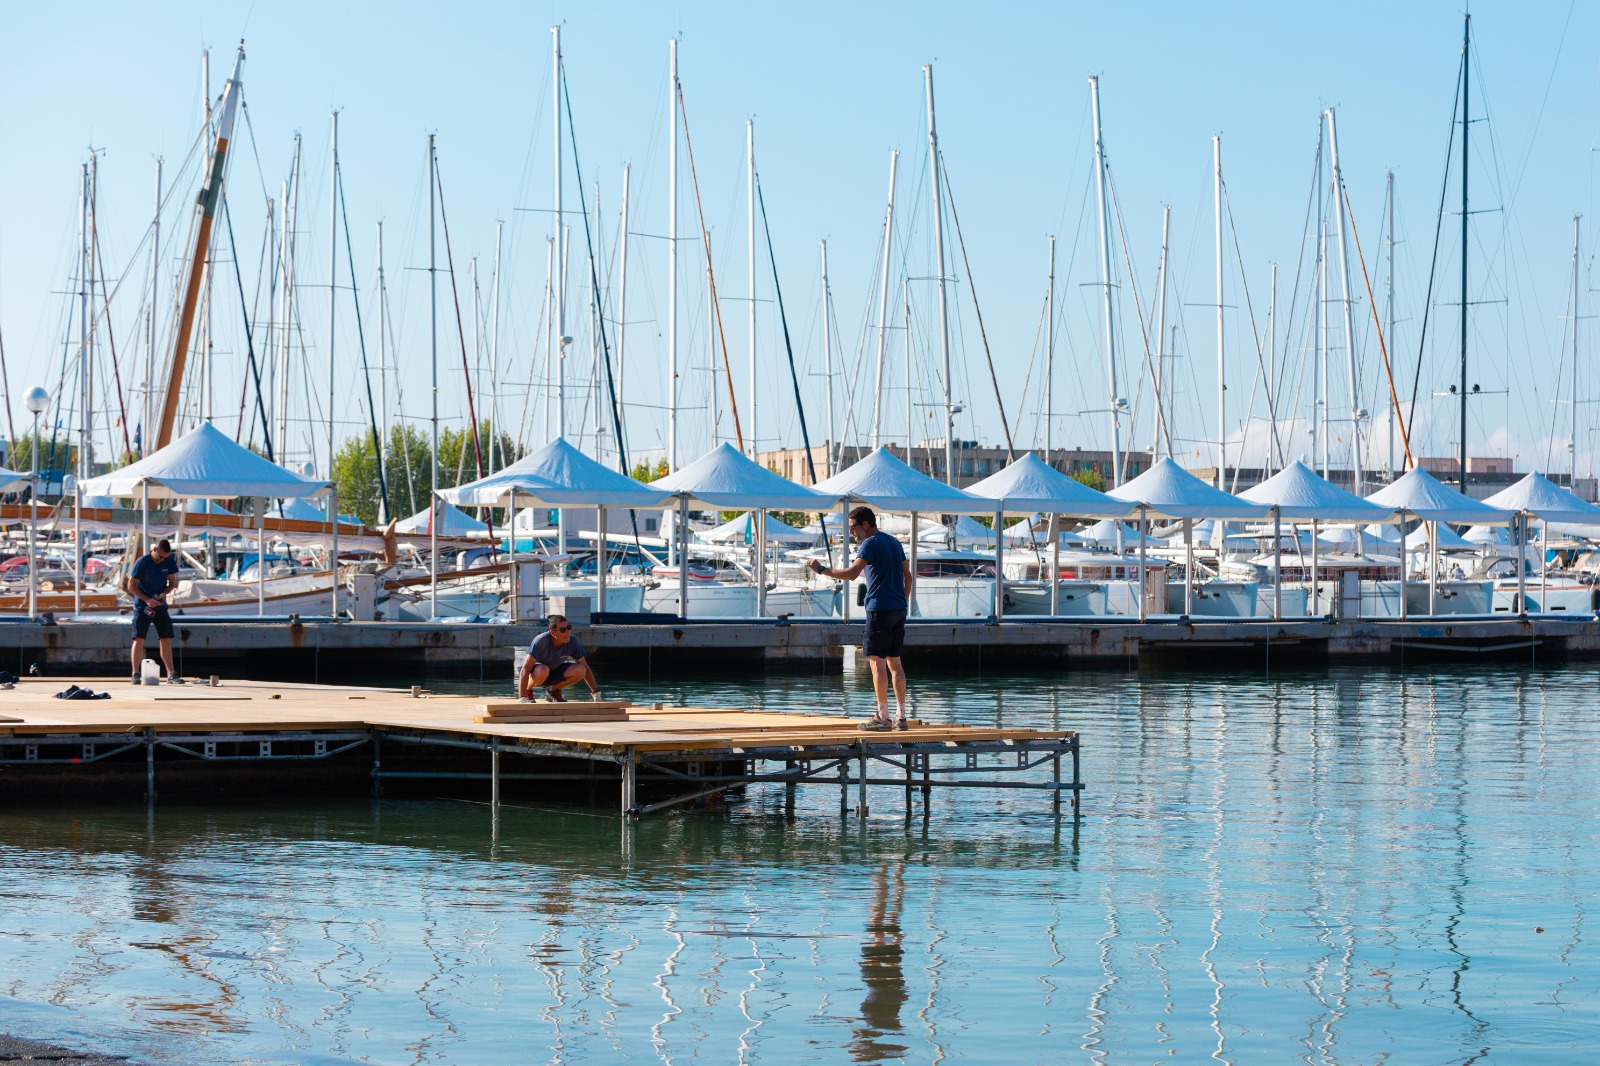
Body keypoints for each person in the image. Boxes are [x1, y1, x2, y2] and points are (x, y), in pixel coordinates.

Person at [807, 506, 913, 730]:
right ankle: (901, 716)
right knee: (895, 663)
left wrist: (822, 569)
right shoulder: (894, 542)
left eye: (853, 527)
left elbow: (852, 574)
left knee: (877, 663)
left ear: (865, 524)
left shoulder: (870, 543)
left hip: (879, 609)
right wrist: (902, 603)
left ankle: (882, 716)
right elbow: (909, 577)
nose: (851, 532)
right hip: (898, 610)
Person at [126, 538, 181, 684]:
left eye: (165, 558)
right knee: (139, 638)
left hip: (160, 606)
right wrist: (146, 600)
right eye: (161, 557)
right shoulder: (142, 562)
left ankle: (171, 673)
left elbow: (172, 583)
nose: (163, 560)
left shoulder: (168, 561)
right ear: (154, 550)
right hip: (142, 606)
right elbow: (131, 586)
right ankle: (135, 673)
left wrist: (164, 593)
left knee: (166, 638)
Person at [518, 614, 600, 703]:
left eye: (569, 628)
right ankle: (528, 691)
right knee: (543, 670)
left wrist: (596, 692)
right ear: (552, 632)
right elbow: (525, 669)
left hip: (552, 671)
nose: (567, 632)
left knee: (581, 669)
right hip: (535, 674)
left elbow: (585, 666)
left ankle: (553, 692)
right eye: (562, 630)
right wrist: (522, 697)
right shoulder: (541, 641)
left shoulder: (573, 642)